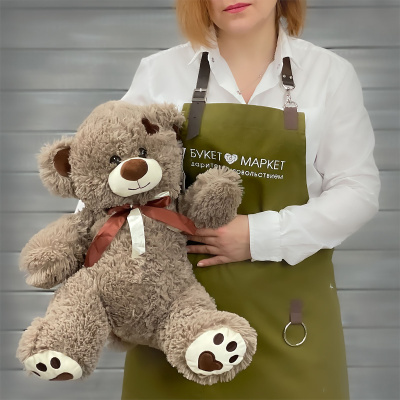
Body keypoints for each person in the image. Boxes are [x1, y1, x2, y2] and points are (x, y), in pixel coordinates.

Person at [118, 0, 380, 399]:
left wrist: (260, 236)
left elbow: (358, 190)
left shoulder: (329, 74)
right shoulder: (160, 73)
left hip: (290, 323)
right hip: (175, 327)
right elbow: (106, 175)